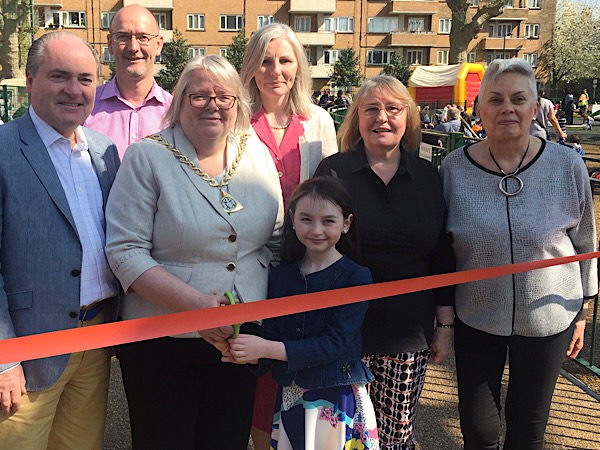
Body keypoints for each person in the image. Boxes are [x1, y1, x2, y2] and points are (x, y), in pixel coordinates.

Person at [105, 55, 283, 450]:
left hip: (239, 339)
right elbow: (125, 252)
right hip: (163, 337)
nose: (213, 105)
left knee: (226, 440)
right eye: (199, 95)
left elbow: (274, 238)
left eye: (225, 96)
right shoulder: (147, 156)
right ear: (180, 101)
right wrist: (199, 306)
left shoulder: (255, 152)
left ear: (238, 103)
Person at [440, 58, 597, 449]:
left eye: (518, 99)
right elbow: (443, 246)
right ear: (479, 110)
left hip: (549, 316)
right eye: (494, 99)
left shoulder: (567, 165)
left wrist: (584, 311)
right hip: (477, 316)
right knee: (479, 429)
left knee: (528, 427)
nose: (506, 108)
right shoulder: (453, 169)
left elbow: (585, 241)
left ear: (536, 107)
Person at [315, 75, 456, 449]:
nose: (382, 118)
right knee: (339, 434)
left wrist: (445, 324)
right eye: (371, 109)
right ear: (356, 118)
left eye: (393, 109)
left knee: (394, 438)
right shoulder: (334, 172)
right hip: (341, 330)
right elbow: (310, 247)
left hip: (406, 334)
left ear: (407, 117)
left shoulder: (428, 176)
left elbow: (442, 253)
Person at [0, 31, 120, 449]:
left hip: (95, 339)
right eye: (59, 76)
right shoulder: (3, 149)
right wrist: (5, 358)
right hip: (29, 351)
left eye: (85, 79)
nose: (74, 90)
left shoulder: (105, 152)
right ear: (30, 80)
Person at [223, 177, 379, 449]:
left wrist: (264, 348)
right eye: (306, 219)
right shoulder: (282, 276)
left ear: (346, 223)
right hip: (292, 396)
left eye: (328, 221)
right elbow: (271, 332)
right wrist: (244, 351)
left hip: (337, 395)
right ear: (293, 220)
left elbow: (334, 345)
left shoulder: (356, 277)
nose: (316, 230)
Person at [240, 22, 338, 448]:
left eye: (284, 60)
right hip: (252, 259)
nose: (275, 70)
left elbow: (331, 191)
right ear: (252, 68)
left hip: (304, 261)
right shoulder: (237, 118)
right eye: (265, 60)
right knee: (259, 359)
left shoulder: (317, 121)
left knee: (298, 357)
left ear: (298, 67)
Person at [84, 4, 172, 159]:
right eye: (123, 37)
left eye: (143, 37)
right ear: (110, 44)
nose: (133, 47)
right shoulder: (85, 109)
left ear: (158, 45)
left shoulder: (176, 114)